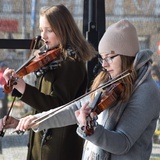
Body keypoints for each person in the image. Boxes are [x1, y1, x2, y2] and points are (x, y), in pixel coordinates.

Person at [10, 19, 160, 160]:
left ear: (127, 56)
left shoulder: (146, 90)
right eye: (102, 58)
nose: (104, 65)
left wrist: (90, 129)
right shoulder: (110, 79)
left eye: (110, 57)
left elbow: (123, 142)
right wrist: (36, 120)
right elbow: (74, 107)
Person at [0, 4, 97, 160]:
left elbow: (58, 108)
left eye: (49, 30)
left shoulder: (71, 63)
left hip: (59, 148)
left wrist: (24, 89)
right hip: (42, 144)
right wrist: (20, 121)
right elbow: (43, 106)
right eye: (41, 30)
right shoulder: (50, 61)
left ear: (64, 30)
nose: (43, 36)